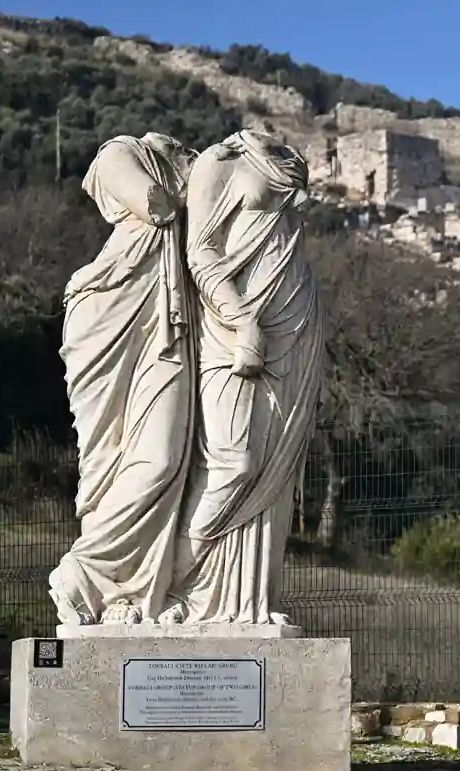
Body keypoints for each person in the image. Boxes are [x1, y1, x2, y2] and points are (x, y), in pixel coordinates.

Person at [159, 129, 324, 626]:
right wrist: (241, 319)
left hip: (296, 329)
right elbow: (200, 252)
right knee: (234, 463)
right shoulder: (221, 160)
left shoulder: (292, 159)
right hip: (234, 331)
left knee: (276, 474)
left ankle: (251, 605)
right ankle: (174, 588)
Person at [49, 133, 197, 627]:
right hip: (107, 314)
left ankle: (121, 582)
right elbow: (154, 205)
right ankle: (102, 586)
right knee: (106, 463)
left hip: (168, 325)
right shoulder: (121, 152)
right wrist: (206, 180)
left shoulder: (187, 177)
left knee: (163, 458)